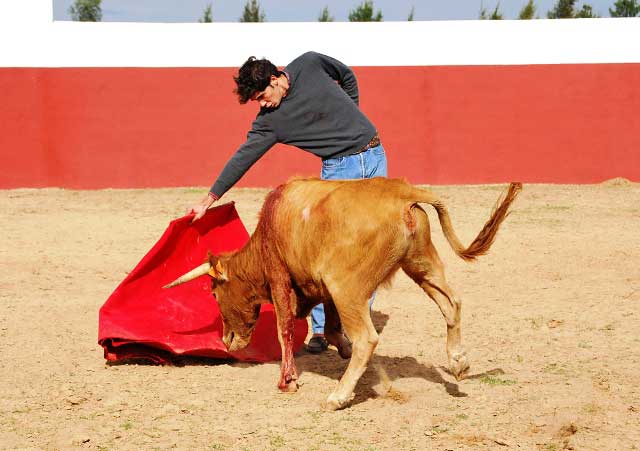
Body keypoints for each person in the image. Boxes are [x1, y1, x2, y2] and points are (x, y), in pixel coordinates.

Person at [188, 51, 387, 354]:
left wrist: (350, 113)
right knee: (329, 250)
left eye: (262, 95)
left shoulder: (309, 63)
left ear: (275, 79)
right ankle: (322, 329)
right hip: (341, 170)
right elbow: (243, 157)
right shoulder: (270, 122)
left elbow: (346, 74)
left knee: (370, 246)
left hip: (376, 155)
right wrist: (209, 198)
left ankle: (351, 322)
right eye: (257, 101)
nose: (263, 103)